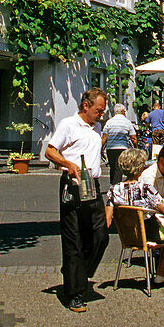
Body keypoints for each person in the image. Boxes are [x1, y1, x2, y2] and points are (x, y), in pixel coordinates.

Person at [45, 87, 110, 312]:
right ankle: (74, 293)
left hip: (92, 183)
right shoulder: (68, 125)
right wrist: (69, 164)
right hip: (72, 185)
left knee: (100, 235)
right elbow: (50, 151)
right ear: (86, 106)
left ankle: (76, 272)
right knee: (73, 239)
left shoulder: (97, 127)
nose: (101, 114)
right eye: (99, 110)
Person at [105, 148, 164, 284]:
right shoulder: (146, 189)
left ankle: (161, 272)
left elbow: (107, 221)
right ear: (140, 168)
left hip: (130, 236)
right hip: (151, 234)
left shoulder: (113, 190)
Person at [100, 103, 137, 185]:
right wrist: (135, 148)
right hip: (122, 148)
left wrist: (101, 149)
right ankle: (117, 186)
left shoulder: (109, 122)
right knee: (119, 168)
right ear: (123, 112)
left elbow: (104, 137)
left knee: (112, 167)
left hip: (110, 148)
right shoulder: (127, 122)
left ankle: (113, 185)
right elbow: (133, 138)